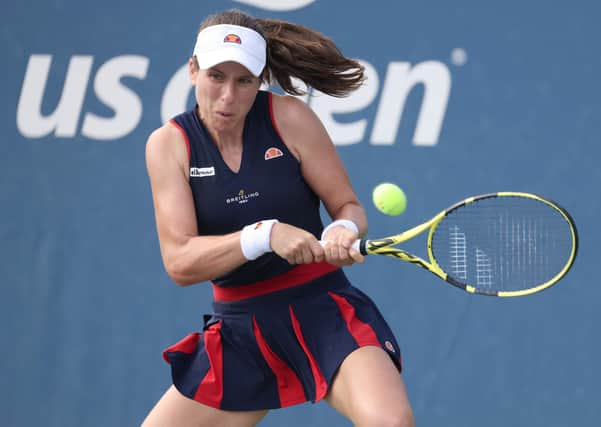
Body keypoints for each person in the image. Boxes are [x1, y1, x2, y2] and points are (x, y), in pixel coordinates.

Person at [142, 9, 415, 427]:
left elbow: (348, 207)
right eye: (216, 76)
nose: (228, 96)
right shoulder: (169, 145)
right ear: (193, 70)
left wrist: (342, 229)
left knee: (391, 423)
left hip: (323, 311)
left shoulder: (289, 118)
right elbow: (179, 262)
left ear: (260, 79)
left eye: (244, 80)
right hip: (240, 333)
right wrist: (264, 235)